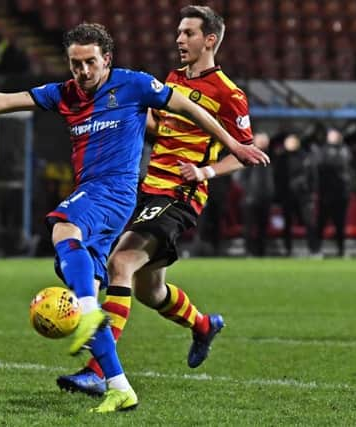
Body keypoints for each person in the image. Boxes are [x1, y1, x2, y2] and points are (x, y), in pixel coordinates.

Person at [0, 22, 268, 412]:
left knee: (65, 227)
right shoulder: (63, 94)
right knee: (121, 282)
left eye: (89, 63)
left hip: (115, 191)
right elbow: (1, 101)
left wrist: (232, 144)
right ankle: (118, 384)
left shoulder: (133, 84)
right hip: (113, 195)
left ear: (107, 60)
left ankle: (86, 310)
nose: (82, 72)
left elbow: (185, 105)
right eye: (75, 64)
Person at [56, 6, 269, 396]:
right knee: (149, 290)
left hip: (179, 194)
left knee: (121, 262)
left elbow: (243, 153)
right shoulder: (172, 79)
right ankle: (204, 325)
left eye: (187, 33)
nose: (178, 39)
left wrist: (205, 172)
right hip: (149, 188)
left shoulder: (228, 92)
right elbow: (161, 128)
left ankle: (99, 371)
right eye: (178, 32)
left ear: (210, 40)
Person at [274, 132, 320, 256]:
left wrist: (311, 191)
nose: (291, 144)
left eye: (293, 141)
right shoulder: (281, 158)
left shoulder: (306, 157)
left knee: (309, 222)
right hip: (287, 195)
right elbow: (277, 178)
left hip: (303, 195)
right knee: (287, 223)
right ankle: (287, 249)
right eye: (289, 142)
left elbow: (312, 176)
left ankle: (314, 249)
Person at [316, 128, 354, 257]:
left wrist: (348, 188)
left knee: (340, 224)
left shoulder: (345, 150)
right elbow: (320, 170)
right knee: (321, 223)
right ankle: (317, 250)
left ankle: (341, 251)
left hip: (341, 194)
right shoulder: (322, 151)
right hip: (326, 193)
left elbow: (349, 170)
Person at [240, 132, 275, 256]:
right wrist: (249, 191)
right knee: (249, 227)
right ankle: (249, 251)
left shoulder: (272, 157)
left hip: (266, 197)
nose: (263, 143)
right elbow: (240, 178)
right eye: (260, 141)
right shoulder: (247, 156)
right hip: (251, 198)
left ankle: (261, 252)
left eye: (265, 141)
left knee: (263, 227)